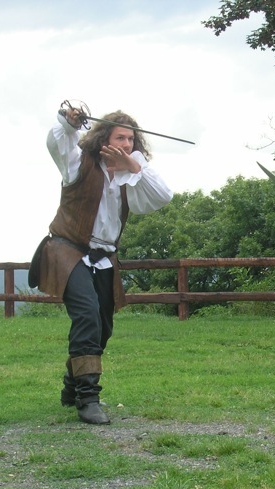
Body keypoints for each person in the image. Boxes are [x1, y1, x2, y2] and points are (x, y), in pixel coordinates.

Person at [31, 103, 173, 424]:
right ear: (103, 138)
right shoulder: (78, 163)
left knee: (103, 328)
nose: (126, 144)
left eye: (131, 140)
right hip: (67, 252)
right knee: (87, 316)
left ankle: (72, 386)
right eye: (120, 137)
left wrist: (133, 167)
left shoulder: (129, 178)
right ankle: (88, 399)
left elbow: (163, 195)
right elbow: (58, 142)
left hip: (105, 258)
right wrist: (68, 122)